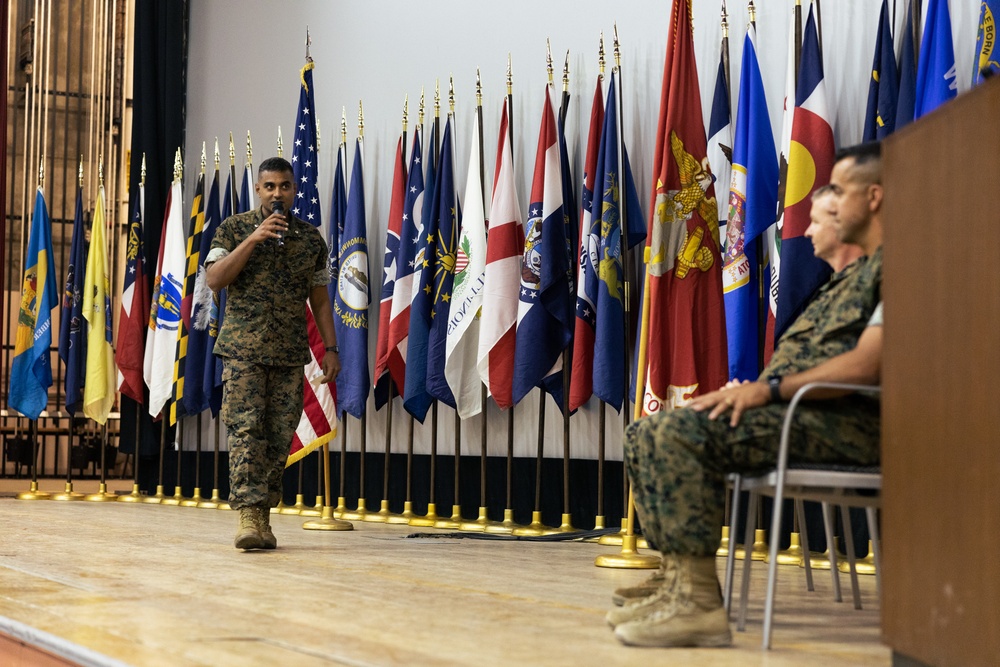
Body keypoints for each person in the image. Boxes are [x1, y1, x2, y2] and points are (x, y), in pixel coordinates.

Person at [607, 142, 885, 647]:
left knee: (677, 434)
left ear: (874, 197)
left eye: (839, 192)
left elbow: (869, 364)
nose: (826, 205)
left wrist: (769, 389)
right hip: (800, 414)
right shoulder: (848, 279)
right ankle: (678, 581)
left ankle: (698, 606)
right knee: (648, 430)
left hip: (842, 424)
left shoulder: (899, 270)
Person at [205, 157, 341, 551]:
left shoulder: (310, 240)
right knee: (247, 431)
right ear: (259, 190)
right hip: (243, 350)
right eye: (269, 186)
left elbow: (320, 298)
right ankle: (248, 514)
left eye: (284, 186)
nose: (277, 193)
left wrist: (331, 349)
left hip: (288, 353)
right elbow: (215, 279)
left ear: (294, 190)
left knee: (280, 435)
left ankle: (263, 515)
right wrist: (254, 239)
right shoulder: (233, 229)